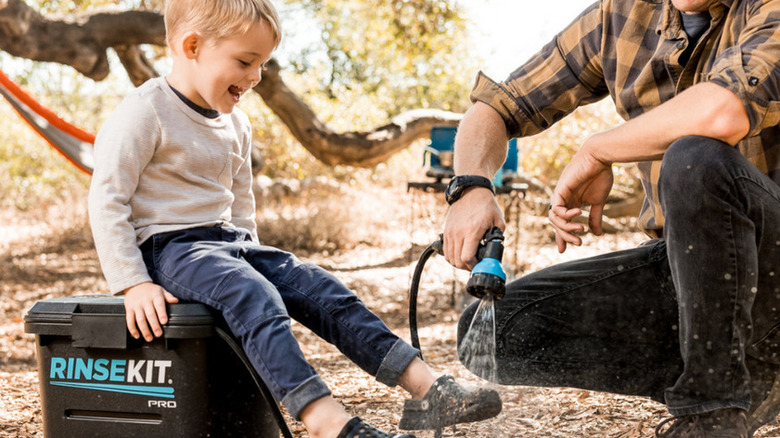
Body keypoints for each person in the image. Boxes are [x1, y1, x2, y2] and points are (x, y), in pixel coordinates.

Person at [86, 1, 502, 437]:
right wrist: (133, 283)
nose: (256, 76)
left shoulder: (237, 125)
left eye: (262, 63)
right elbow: (107, 198)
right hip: (170, 250)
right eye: (245, 61)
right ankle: (328, 423)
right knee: (253, 294)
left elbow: (240, 204)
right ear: (192, 46)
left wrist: (252, 254)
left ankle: (428, 388)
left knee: (320, 287)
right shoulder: (145, 111)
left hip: (228, 244)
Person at [443, 0, 780, 436]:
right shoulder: (619, 13)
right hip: (694, 277)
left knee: (695, 157)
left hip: (774, 261)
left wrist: (598, 149)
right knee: (494, 333)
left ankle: (712, 415)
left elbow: (725, 111)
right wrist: (471, 185)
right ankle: (746, 380)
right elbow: (498, 106)